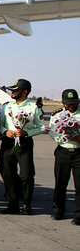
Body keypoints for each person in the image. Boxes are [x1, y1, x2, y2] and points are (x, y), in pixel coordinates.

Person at [0, 79, 44, 215]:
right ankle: (12, 204)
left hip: (24, 142)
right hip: (8, 142)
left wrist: (27, 132)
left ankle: (26, 203)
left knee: (26, 175)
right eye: (11, 90)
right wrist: (6, 131)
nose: (12, 92)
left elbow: (41, 127)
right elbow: (0, 125)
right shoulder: (6, 106)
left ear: (25, 92)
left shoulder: (34, 107)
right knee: (8, 174)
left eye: (15, 90)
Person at [49, 89, 80, 224]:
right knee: (61, 182)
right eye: (68, 103)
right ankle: (58, 210)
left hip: (78, 152)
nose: (71, 106)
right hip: (63, 151)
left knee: (79, 185)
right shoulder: (58, 115)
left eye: (74, 103)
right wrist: (64, 137)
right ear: (63, 103)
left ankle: (79, 214)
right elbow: (52, 131)